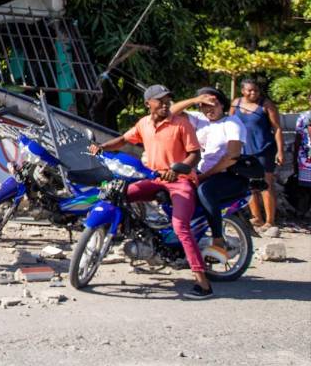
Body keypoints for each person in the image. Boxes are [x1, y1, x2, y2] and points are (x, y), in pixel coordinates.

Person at [89, 85, 211, 299]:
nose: (165, 104)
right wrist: (101, 147)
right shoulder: (144, 123)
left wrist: (177, 169)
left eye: (167, 100)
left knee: (180, 226)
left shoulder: (181, 124)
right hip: (154, 178)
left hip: (179, 180)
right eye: (160, 100)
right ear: (148, 103)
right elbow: (124, 140)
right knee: (119, 195)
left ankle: (203, 283)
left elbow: (194, 154)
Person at [171, 87, 245, 263]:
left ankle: (218, 240)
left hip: (228, 175)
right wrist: (194, 100)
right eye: (204, 105)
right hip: (201, 173)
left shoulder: (232, 123)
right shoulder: (200, 120)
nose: (209, 109)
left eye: (213, 104)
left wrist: (203, 177)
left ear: (222, 105)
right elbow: (171, 113)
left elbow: (232, 157)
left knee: (205, 191)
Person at [230, 79, 284, 232]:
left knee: (266, 184)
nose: (253, 93)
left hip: (263, 149)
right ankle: (257, 218)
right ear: (243, 91)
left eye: (256, 90)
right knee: (249, 184)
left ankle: (270, 221)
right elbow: (229, 124)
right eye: (250, 90)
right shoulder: (236, 103)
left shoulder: (266, 105)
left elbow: (277, 128)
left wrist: (280, 151)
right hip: (243, 150)